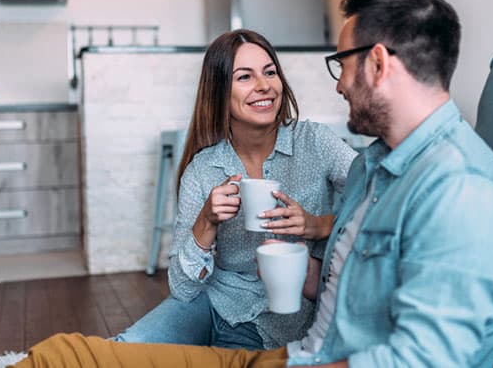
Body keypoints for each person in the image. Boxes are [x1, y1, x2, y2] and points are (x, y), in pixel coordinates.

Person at [11, 0, 493, 368]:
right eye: (245, 77)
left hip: (301, 358)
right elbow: (345, 288)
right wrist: (288, 265)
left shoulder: (462, 191)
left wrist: (311, 229)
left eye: (342, 65)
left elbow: (427, 359)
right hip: (288, 348)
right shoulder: (376, 167)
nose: (337, 85)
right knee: (62, 356)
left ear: (377, 64)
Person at [114, 29, 358, 349]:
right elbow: (182, 289)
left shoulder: (315, 142)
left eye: (270, 72)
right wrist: (206, 222)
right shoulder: (203, 169)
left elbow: (379, 197)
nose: (264, 85)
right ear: (219, 93)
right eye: (245, 77)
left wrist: (320, 225)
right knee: (127, 347)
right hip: (214, 302)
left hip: (281, 319)